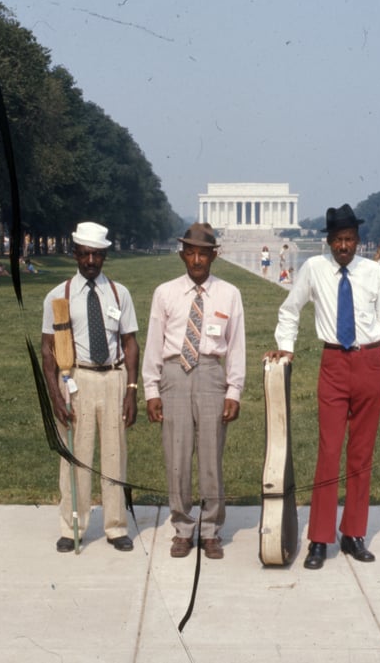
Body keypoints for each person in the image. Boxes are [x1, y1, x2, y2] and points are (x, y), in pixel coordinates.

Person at [265, 204, 380, 570]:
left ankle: (354, 533)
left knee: (361, 453)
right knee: (329, 452)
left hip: (370, 363)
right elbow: (290, 309)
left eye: (350, 240)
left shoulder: (373, 272)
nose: (344, 246)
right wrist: (287, 346)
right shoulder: (314, 269)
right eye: (338, 241)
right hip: (333, 364)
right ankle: (319, 538)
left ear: (359, 242)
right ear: (328, 242)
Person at [142, 222, 245, 560]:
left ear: (214, 256)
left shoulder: (229, 294)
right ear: (182, 254)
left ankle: (211, 529)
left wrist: (234, 391)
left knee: (211, 456)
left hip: (211, 374)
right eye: (191, 252)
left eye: (203, 253)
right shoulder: (165, 293)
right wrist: (151, 389)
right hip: (175, 374)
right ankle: (183, 528)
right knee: (177, 456)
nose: (197, 259)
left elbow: (236, 346)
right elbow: (154, 344)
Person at [41, 222, 139, 553]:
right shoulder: (58, 296)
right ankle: (72, 526)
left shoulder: (118, 293)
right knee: (76, 456)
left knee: (114, 456)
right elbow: (47, 350)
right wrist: (55, 395)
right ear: (75, 255)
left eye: (97, 254)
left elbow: (130, 343)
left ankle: (115, 526)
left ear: (105, 255)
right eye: (84, 254)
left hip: (113, 377)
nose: (91, 261)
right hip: (76, 379)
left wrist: (131, 390)